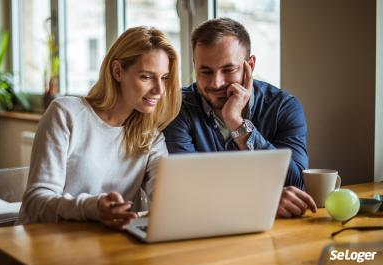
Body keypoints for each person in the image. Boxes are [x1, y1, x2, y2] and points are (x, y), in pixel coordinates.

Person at [18, 27, 181, 229]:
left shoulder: (151, 137)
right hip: (44, 243)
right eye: (147, 77)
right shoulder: (66, 114)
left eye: (164, 77)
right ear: (117, 71)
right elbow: (35, 202)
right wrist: (93, 207)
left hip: (105, 247)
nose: (160, 90)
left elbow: (165, 198)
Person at [163, 18, 317, 218]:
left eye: (228, 70)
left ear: (249, 65)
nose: (216, 83)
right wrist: (263, 199)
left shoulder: (283, 107)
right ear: (195, 65)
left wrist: (236, 121)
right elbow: (188, 187)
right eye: (206, 71)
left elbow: (297, 183)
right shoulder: (178, 107)